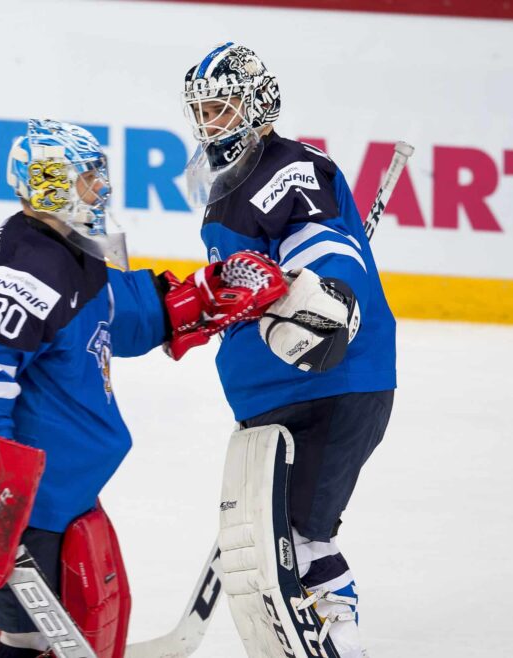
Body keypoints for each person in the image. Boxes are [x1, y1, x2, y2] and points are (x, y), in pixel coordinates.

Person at [0, 118, 285, 657]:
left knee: (85, 626)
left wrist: (195, 299)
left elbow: (117, 312)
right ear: (49, 181)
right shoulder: (24, 266)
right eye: (87, 176)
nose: (101, 187)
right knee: (43, 635)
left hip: (60, 492)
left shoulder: (66, 252)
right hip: (23, 505)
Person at [178, 43, 397, 657]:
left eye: (221, 107)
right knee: (279, 544)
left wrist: (324, 295)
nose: (209, 123)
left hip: (333, 385)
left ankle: (342, 641)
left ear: (257, 104)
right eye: (202, 110)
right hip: (273, 389)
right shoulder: (228, 186)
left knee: (304, 539)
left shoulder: (289, 168)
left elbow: (326, 249)